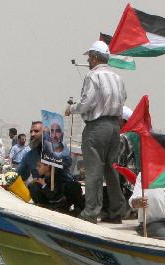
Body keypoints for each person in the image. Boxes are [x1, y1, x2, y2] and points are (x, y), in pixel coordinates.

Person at [66, 40, 127, 224]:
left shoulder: (92, 76)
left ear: (94, 57)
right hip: (114, 127)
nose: (89, 60)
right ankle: (116, 211)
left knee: (93, 171)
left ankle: (91, 212)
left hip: (97, 127)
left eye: (90, 57)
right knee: (112, 170)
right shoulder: (117, 77)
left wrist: (72, 108)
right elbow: (124, 98)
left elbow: (87, 103)